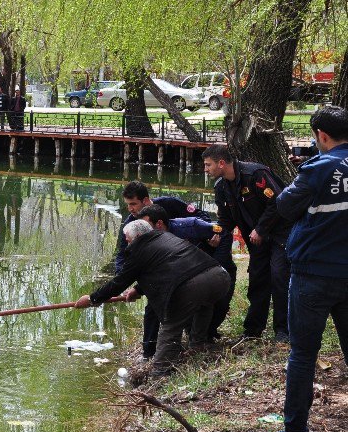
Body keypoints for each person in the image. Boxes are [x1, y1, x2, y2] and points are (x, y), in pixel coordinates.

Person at [268, 106, 348, 432]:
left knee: (302, 355)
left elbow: (285, 206)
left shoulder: (319, 168)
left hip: (313, 275)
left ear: (322, 136)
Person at [76, 220, 231, 376]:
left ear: (137, 236)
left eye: (127, 238)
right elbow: (167, 267)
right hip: (220, 277)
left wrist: (92, 299)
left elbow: (119, 282)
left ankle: (160, 372)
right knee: (204, 304)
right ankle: (197, 346)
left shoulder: (139, 250)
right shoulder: (165, 236)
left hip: (193, 284)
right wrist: (138, 290)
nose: (126, 242)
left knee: (171, 325)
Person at [114, 181, 232, 356]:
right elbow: (123, 254)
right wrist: (125, 280)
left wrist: (209, 241)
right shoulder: (130, 225)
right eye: (128, 205)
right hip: (164, 271)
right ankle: (149, 352)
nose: (130, 209)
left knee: (213, 300)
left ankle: (203, 337)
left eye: (133, 204)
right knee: (154, 307)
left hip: (198, 263)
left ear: (146, 201)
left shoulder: (173, 207)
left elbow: (205, 221)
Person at [203, 144, 291, 341]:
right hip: (256, 241)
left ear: (221, 163)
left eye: (208, 165)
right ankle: (252, 331)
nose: (205, 169)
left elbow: (278, 202)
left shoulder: (255, 174)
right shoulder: (221, 187)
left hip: (280, 234)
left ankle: (283, 331)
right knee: (258, 281)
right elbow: (225, 219)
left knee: (279, 278)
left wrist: (261, 229)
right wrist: (216, 234)